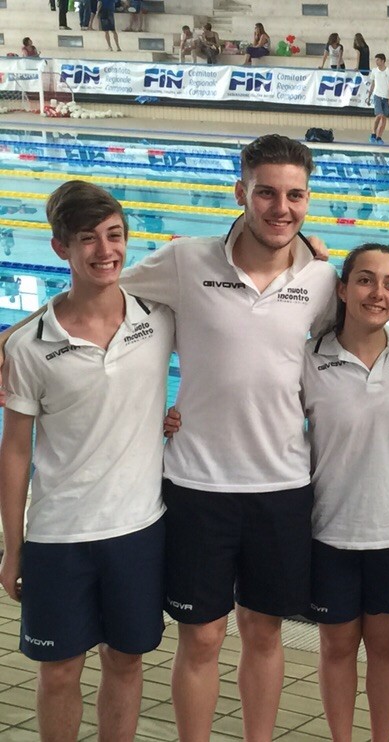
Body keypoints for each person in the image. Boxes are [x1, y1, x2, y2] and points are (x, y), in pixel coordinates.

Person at [122, 135, 339, 741]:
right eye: (266, 192)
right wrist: (18, 336)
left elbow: (358, 347)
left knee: (265, 631)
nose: (281, 207)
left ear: (307, 199)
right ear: (241, 191)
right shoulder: (187, 261)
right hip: (198, 482)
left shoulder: (322, 278)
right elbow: (105, 299)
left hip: (283, 484)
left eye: (295, 195)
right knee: (203, 635)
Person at [0, 181, 173, 742]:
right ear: (60, 249)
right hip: (59, 534)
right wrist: (12, 547)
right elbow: (16, 449)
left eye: (114, 235)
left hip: (138, 529)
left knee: (126, 662)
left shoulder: (158, 319)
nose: (105, 251)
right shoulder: (28, 346)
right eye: (88, 239)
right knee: (60, 672)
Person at [302, 244, 389, 742]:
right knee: (336, 647)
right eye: (367, 280)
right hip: (329, 528)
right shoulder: (308, 359)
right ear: (344, 289)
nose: (379, 293)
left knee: (387, 647)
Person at [367, 53, 389, 144]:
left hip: (386, 97)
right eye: (376, 60)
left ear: (383, 61)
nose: (376, 62)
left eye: (378, 60)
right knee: (379, 115)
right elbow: (373, 84)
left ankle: (379, 137)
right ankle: (373, 133)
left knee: (384, 117)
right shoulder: (374, 71)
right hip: (377, 95)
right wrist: (369, 96)